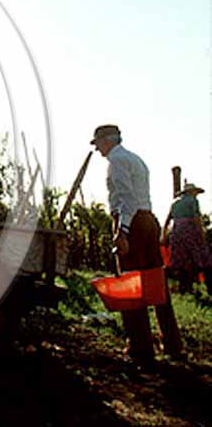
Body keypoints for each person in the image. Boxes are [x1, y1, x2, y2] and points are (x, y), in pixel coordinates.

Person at [91, 124, 183, 369]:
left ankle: (140, 348)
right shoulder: (136, 159)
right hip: (148, 220)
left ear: (108, 140)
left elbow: (125, 198)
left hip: (132, 223)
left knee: (132, 285)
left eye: (98, 143)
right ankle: (173, 344)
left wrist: (123, 232)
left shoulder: (117, 161)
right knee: (155, 284)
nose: (98, 149)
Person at [162, 182, 212, 295]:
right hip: (189, 231)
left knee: (182, 262)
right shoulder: (193, 201)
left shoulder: (175, 203)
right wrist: (202, 234)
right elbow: (196, 219)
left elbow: (167, 220)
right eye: (195, 192)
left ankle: (184, 288)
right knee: (204, 258)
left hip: (176, 233)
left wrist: (164, 235)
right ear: (192, 192)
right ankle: (210, 287)